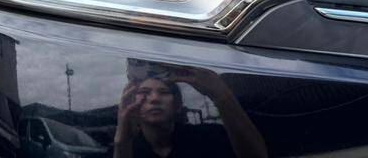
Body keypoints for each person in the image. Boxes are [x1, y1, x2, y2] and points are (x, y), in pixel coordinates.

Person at [114, 65, 268, 158]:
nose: (154, 99)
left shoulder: (209, 137)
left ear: (178, 105)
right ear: (131, 104)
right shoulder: (124, 149)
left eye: (164, 92)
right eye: (145, 92)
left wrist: (221, 95)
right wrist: (122, 142)